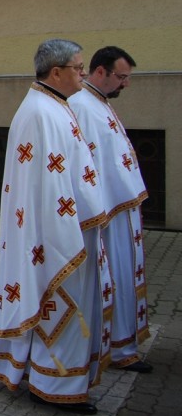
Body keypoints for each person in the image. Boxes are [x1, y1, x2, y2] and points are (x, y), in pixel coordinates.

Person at [0, 39, 111, 415]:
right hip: (59, 234)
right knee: (63, 307)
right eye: (79, 67)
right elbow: (51, 185)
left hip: (70, 226)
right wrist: (73, 227)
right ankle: (53, 383)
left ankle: (52, 378)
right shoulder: (42, 112)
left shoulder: (54, 104)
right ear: (56, 72)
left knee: (67, 308)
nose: (84, 74)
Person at [69, 46, 151, 373]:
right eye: (121, 77)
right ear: (100, 72)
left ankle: (123, 342)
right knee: (114, 278)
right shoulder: (82, 106)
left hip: (121, 209)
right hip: (107, 214)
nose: (125, 84)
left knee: (124, 276)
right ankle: (116, 346)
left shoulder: (98, 102)